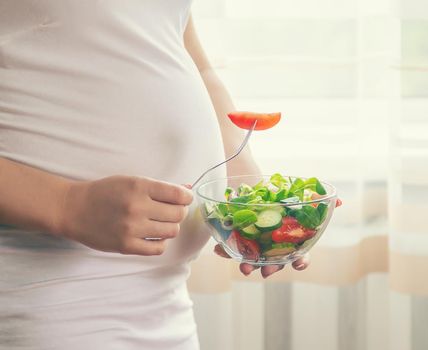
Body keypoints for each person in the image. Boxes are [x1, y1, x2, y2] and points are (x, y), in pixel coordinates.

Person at [0, 1, 308, 349]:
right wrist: (65, 204)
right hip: (42, 299)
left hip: (166, 301)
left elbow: (186, 55)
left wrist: (247, 183)